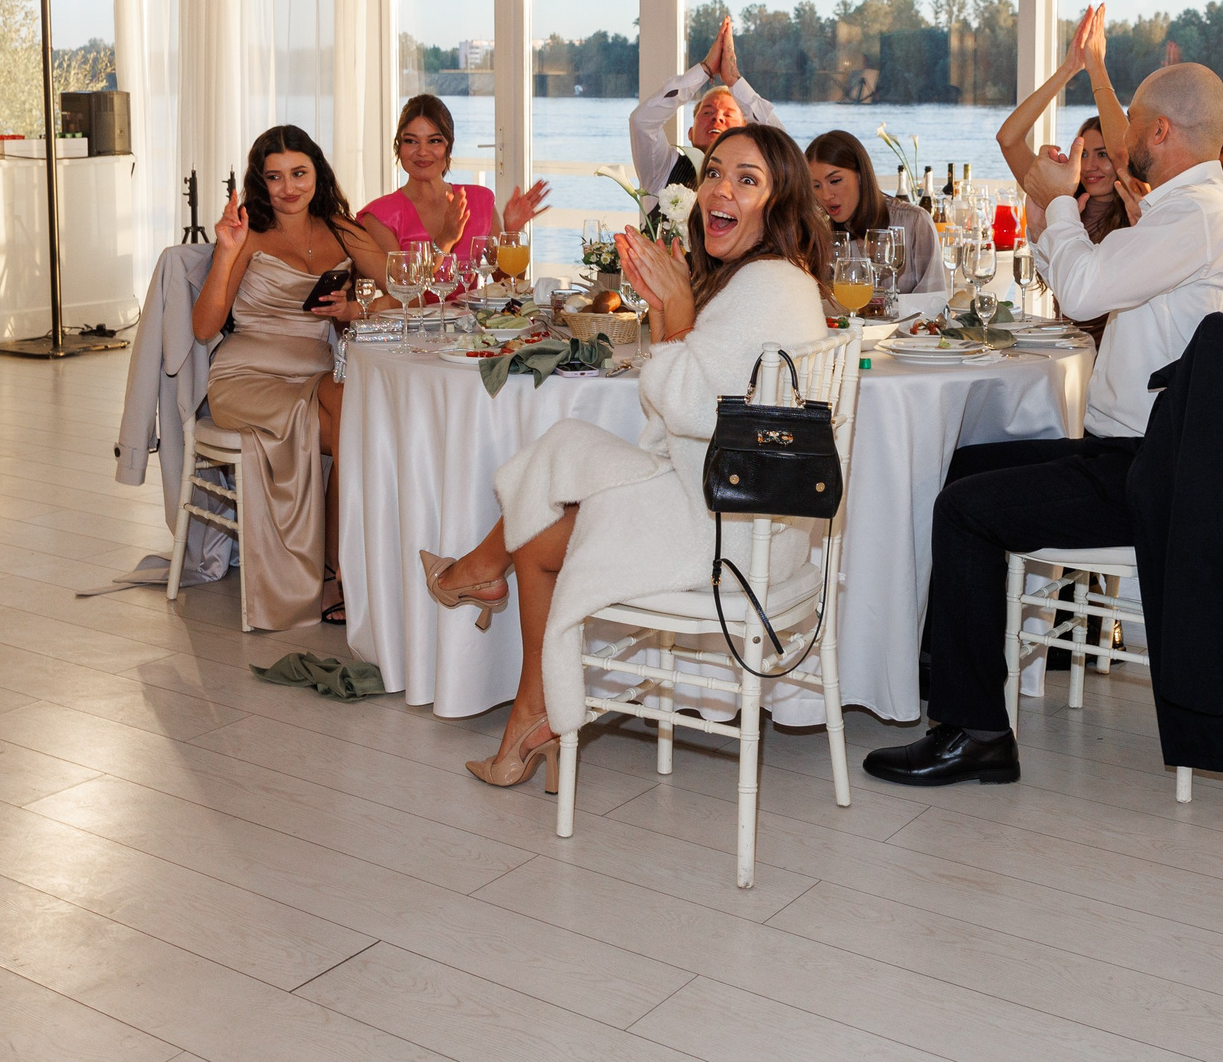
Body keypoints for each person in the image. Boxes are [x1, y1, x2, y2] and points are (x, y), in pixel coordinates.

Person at [864, 62, 1223, 787]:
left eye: (1129, 125)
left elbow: (1081, 292)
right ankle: (948, 668)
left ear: (1159, 131)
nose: (1120, 139)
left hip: (1154, 469)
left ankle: (978, 732)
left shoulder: (1199, 216)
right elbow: (1092, 279)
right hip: (1139, 451)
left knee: (964, 509)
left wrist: (1058, 204)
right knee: (962, 466)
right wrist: (1054, 211)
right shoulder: (1188, 210)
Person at [416, 124, 832, 789]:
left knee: (540, 530)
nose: (721, 189)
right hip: (735, 511)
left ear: (779, 204)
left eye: (747, 179)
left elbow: (690, 408)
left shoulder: (767, 286)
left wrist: (677, 311)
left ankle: (520, 677)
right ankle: (509, 648)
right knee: (564, 445)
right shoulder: (767, 280)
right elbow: (686, 402)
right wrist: (673, 306)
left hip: (731, 533)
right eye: (714, 172)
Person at [193, 125, 380, 630]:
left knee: (356, 411)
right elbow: (204, 327)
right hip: (245, 377)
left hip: (313, 374)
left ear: (317, 171)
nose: (288, 187)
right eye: (274, 177)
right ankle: (338, 573)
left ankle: (338, 566)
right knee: (356, 430)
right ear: (260, 181)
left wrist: (355, 308)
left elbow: (410, 285)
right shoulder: (249, 233)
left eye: (299, 173)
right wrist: (226, 251)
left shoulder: (341, 230)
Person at [996, 5, 1126, 332]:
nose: (1090, 165)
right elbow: (1008, 139)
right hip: (1064, 347)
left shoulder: (1138, 212)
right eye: (1084, 154)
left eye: (1103, 154)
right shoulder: (1060, 199)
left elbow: (1126, 153)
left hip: (1109, 354)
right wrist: (1068, 70)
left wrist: (1097, 68)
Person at [358, 92, 549, 269]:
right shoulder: (379, 217)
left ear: (448, 146)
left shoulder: (478, 200)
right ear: (399, 146)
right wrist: (445, 240)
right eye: (411, 141)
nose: (422, 151)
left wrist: (512, 233)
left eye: (434, 141)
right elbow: (401, 287)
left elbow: (505, 283)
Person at [628, 14, 776, 195]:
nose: (717, 118)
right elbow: (642, 122)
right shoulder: (662, 169)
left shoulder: (757, 180)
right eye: (707, 113)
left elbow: (780, 143)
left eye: (728, 114)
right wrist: (705, 69)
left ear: (744, 133)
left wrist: (734, 80)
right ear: (690, 133)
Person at [807, 130, 938, 295]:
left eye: (835, 181)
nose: (825, 195)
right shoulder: (817, 231)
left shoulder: (914, 222)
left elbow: (934, 300)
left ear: (860, 175)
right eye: (816, 186)